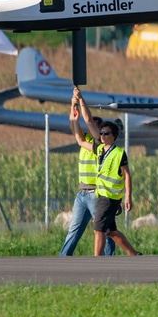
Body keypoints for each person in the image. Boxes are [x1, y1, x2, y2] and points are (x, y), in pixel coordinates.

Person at [72, 115, 140, 257]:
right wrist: (74, 120)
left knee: (98, 228)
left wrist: (128, 196)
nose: (102, 136)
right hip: (101, 195)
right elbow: (80, 141)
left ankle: (97, 258)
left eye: (106, 133)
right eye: (101, 133)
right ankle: (133, 254)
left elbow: (127, 174)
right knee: (109, 230)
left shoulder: (119, 153)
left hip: (110, 197)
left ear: (114, 136)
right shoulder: (99, 149)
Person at [59, 88, 115, 256]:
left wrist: (81, 101)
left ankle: (109, 258)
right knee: (74, 230)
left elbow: (89, 120)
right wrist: (73, 106)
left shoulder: (100, 145)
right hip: (82, 194)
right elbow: (74, 127)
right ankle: (63, 258)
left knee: (103, 230)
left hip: (96, 194)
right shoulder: (85, 142)